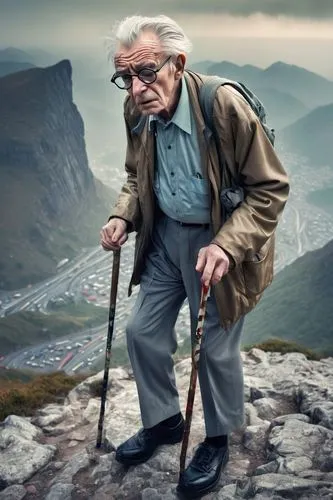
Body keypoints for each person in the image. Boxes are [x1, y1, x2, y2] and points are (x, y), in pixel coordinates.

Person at [100, 14, 289, 498]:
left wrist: (226, 243)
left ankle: (218, 440)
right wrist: (125, 214)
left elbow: (269, 188)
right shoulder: (136, 110)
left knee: (214, 350)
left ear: (178, 63)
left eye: (146, 73)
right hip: (164, 237)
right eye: (127, 77)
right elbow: (134, 174)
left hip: (220, 240)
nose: (137, 88)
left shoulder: (223, 106)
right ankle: (164, 422)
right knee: (141, 332)